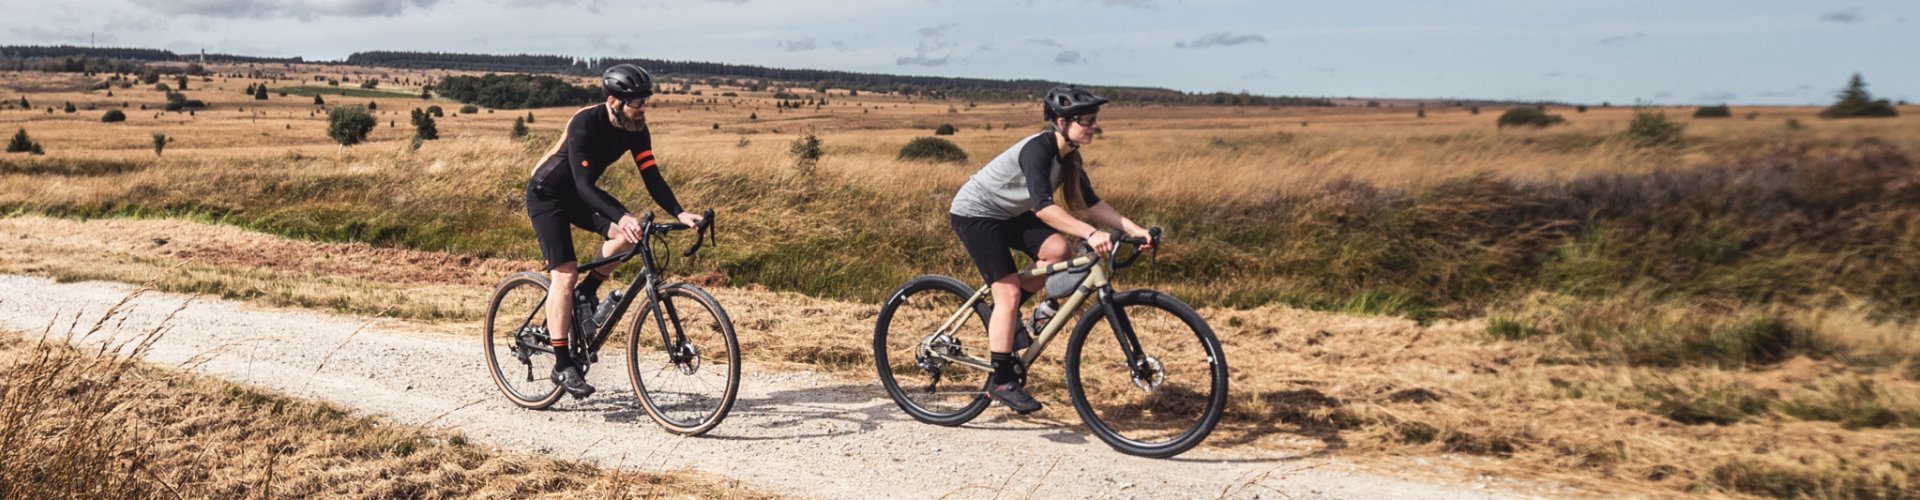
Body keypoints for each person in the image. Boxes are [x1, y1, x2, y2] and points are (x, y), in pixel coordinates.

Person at [947, 85, 1154, 413]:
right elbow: (1043, 208)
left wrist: (1134, 230)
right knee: (1009, 294)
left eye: (1094, 119)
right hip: (976, 213)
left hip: (1007, 214)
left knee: (1058, 251)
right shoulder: (1038, 149)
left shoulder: (1070, 156)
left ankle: (1014, 316)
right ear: (1062, 122)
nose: (1094, 125)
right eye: (1086, 119)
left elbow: (1090, 203)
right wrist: (1090, 233)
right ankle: (1001, 381)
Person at [524, 63, 704, 398]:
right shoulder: (584, 123)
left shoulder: (637, 128)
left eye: (645, 101)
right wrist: (621, 215)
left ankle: (586, 293)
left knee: (627, 237)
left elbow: (651, 175)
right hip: (547, 196)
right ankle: (563, 364)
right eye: (636, 103)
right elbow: (583, 184)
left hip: (579, 196)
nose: (643, 109)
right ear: (613, 101)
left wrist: (679, 213)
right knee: (564, 275)